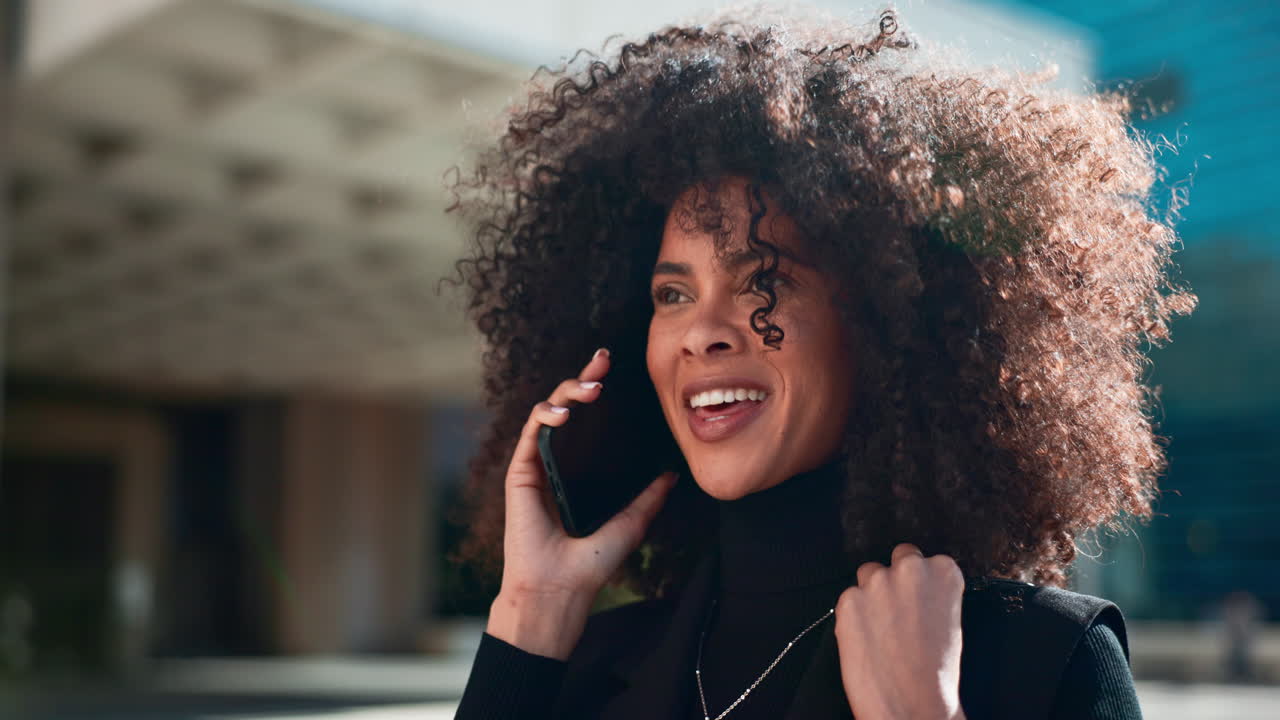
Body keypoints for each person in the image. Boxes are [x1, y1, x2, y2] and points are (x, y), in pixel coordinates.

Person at [445, 6, 1196, 719]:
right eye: (672, 293)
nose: (701, 332)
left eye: (762, 282)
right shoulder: (579, 659)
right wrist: (533, 606)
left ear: (881, 322)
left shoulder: (1042, 657)